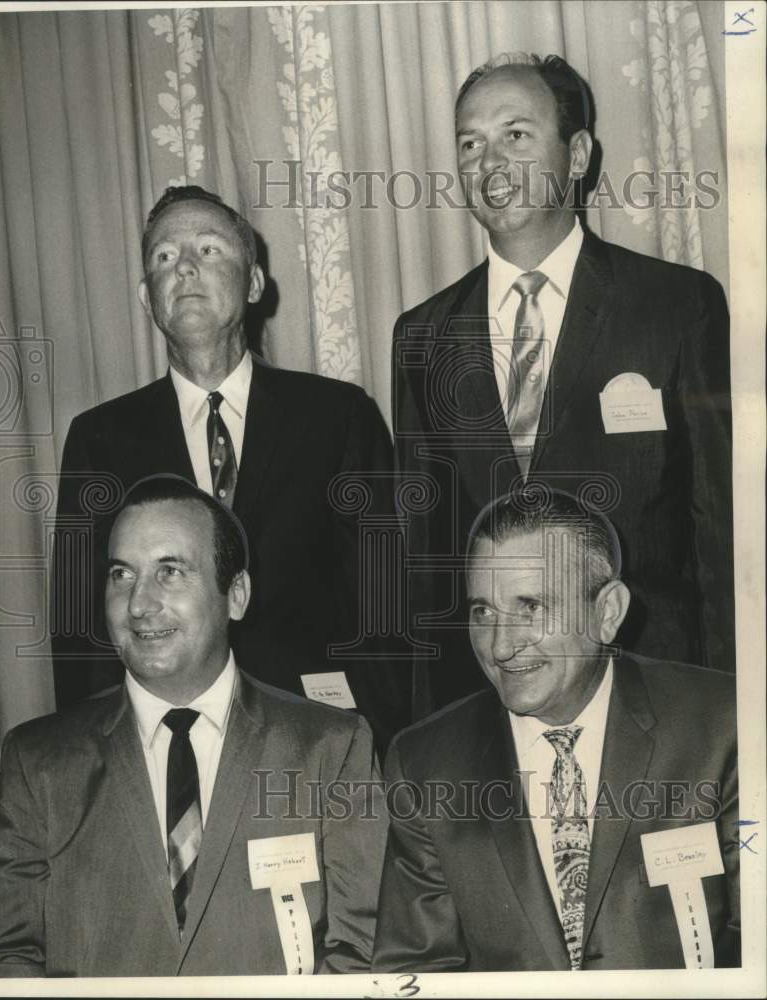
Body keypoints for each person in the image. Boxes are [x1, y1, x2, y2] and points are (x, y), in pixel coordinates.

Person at [392, 52, 734, 715]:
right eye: (470, 143)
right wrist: (431, 723)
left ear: (576, 155)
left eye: (515, 135)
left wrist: (728, 704)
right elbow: (425, 557)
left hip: (660, 690)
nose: (489, 163)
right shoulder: (422, 335)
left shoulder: (674, 305)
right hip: (495, 700)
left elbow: (721, 532)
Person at [0, 475, 388, 977]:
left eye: (170, 571)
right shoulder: (37, 762)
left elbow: (363, 953)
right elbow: (5, 958)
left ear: (235, 594)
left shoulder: (331, 748)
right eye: (121, 575)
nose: (138, 604)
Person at [52, 184, 410, 753]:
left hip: (314, 740)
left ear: (255, 283)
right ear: (148, 298)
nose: (186, 268)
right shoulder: (100, 439)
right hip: (162, 744)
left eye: (209, 249)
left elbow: (384, 605)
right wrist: (87, 767)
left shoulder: (339, 417)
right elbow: (79, 628)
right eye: (165, 257)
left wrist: (381, 746)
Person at [371, 488, 739, 972]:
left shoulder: (723, 724)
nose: (501, 646)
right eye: (483, 611)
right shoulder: (425, 762)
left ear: (607, 612)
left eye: (532, 607)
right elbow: (415, 972)